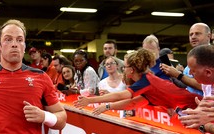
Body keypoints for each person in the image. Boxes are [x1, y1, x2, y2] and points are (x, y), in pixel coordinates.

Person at [74, 48, 202, 116]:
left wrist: (91, 100)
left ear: (132, 70)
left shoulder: (146, 80)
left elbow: (121, 95)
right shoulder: (146, 82)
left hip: (197, 105)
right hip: (189, 109)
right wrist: (107, 107)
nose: (123, 69)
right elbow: (133, 103)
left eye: (125, 67)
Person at [160, 23, 212, 96]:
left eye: (197, 34)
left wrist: (178, 74)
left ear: (209, 36)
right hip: (193, 105)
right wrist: (172, 74)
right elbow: (185, 85)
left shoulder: (211, 57)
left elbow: (205, 86)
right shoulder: (192, 58)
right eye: (191, 34)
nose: (193, 37)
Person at [178, 45, 214, 133]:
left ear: (208, 72)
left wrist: (204, 125)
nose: (189, 73)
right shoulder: (206, 84)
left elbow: (207, 121)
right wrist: (194, 115)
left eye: (193, 70)